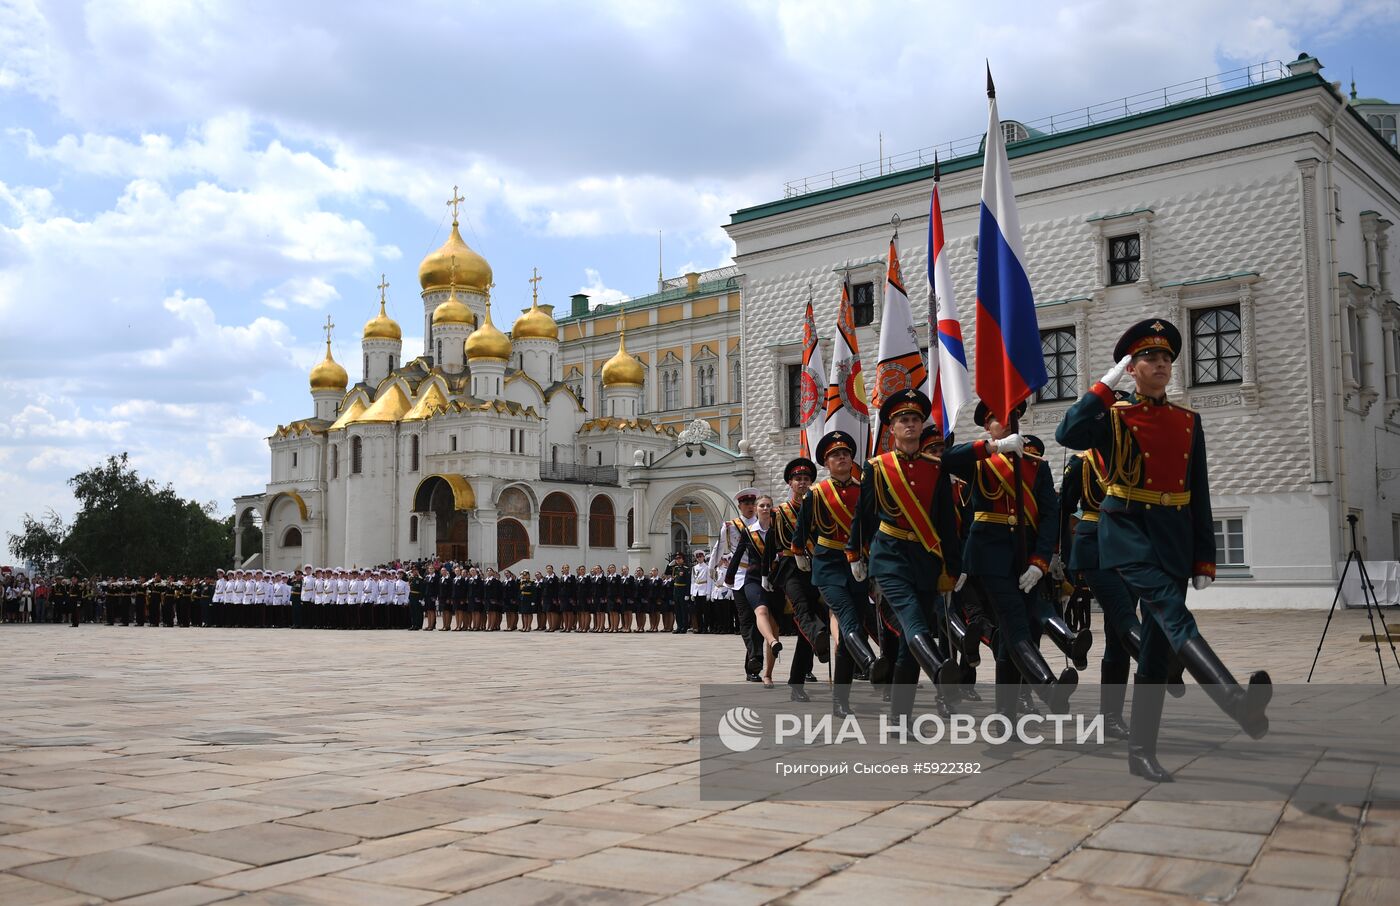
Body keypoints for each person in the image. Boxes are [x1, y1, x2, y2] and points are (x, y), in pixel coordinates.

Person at [1057, 318, 1271, 782]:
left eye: (1166, 358)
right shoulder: (1113, 417)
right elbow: (1066, 433)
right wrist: (1103, 385)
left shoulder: (1188, 421)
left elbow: (1199, 492)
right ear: (1131, 368)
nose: (1160, 364)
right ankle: (1235, 701)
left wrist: (1204, 556)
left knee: (1154, 653)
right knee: (1175, 616)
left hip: (1173, 537)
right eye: (1148, 357)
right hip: (1128, 533)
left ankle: (1141, 753)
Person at [943, 398, 1080, 717]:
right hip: (989, 555)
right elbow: (945, 461)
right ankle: (1048, 688)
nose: (1005, 422)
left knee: (1011, 633)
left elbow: (1049, 516)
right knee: (1016, 620)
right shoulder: (978, 461)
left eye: (1011, 417)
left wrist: (1040, 561)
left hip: (1026, 555)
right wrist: (992, 448)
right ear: (986, 426)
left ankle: (1005, 714)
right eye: (997, 418)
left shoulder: (1036, 466)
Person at [848, 389, 972, 721]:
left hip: (926, 558)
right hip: (889, 557)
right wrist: (854, 553)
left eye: (916, 419)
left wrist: (954, 565)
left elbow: (946, 521)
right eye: (904, 419)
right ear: (892, 428)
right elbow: (864, 514)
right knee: (912, 616)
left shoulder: (936, 467)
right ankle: (939, 669)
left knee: (908, 645)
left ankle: (899, 718)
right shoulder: (878, 468)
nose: (911, 424)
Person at [1060, 435, 1146, 740]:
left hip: (1130, 547)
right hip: (1094, 547)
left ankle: (1110, 716)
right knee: (1124, 617)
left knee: (1118, 635)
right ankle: (1160, 665)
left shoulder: (1135, 460)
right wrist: (1061, 558)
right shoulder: (1082, 463)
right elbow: (1063, 509)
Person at [796, 430, 882, 717]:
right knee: (847, 618)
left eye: (845, 453)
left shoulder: (863, 490)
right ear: (826, 463)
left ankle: (840, 700)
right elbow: (802, 529)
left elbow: (872, 530)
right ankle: (869, 663)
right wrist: (799, 553)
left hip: (858, 567)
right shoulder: (817, 493)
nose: (842, 457)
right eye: (835, 455)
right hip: (829, 566)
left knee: (847, 635)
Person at [773, 456, 831, 702]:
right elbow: (774, 544)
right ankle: (819, 635)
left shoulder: (819, 508)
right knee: (803, 610)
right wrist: (766, 574)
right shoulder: (781, 512)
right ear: (790, 483)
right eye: (798, 479)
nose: (803, 482)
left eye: (807, 479)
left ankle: (797, 682)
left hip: (815, 568)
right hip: (791, 569)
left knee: (809, 631)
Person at [724, 494, 785, 687]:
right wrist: (727, 578)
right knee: (756, 615)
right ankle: (761, 653)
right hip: (751, 579)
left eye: (768, 506)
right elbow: (733, 554)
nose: (764, 508)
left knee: (773, 625)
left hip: (775, 580)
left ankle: (767, 672)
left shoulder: (779, 529)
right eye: (761, 506)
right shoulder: (742, 530)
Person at [715, 488, 762, 678]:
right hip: (740, 576)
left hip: (760, 576)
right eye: (746, 504)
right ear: (740, 506)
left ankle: (754, 661)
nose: (750, 507)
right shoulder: (731, 526)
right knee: (746, 619)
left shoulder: (762, 524)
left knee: (760, 620)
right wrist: (713, 569)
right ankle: (754, 660)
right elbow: (719, 548)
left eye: (752, 504)